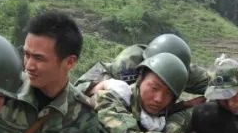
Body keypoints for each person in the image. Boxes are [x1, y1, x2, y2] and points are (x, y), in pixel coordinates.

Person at [76, 33, 210, 99]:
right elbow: (78, 92)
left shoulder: (181, 71)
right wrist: (103, 86)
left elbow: (213, 82)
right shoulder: (126, 68)